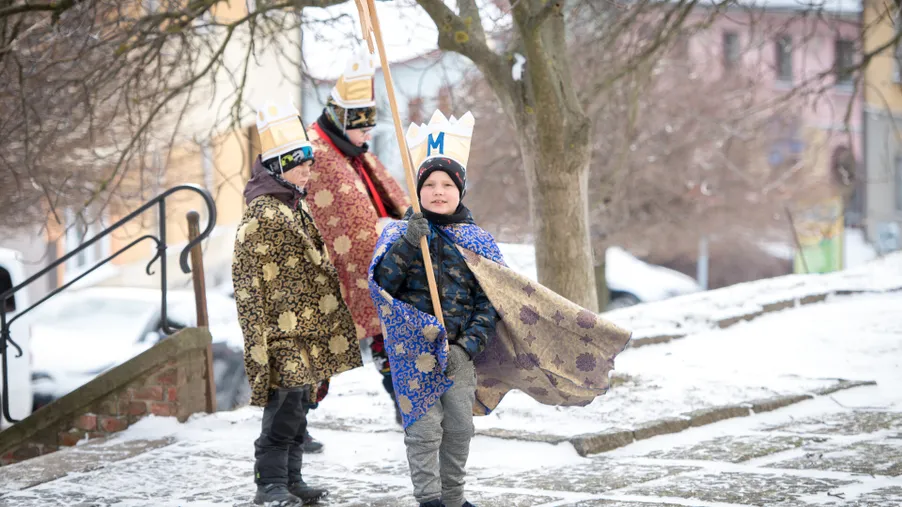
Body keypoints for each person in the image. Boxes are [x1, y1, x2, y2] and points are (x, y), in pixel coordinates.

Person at [369, 111, 633, 507]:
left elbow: (492, 302)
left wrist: (467, 347)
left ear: (460, 190)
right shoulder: (398, 235)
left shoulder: (477, 241)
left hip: (459, 354)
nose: (438, 191)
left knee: (458, 429)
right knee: (424, 430)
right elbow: (383, 286)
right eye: (429, 185)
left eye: (446, 184)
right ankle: (430, 499)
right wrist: (409, 242)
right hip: (414, 353)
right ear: (418, 189)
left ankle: (453, 497)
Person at [233, 98, 363, 505]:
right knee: (283, 405)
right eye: (300, 162)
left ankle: (291, 479)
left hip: (307, 327)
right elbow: (248, 285)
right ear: (279, 166)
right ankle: (268, 483)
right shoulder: (262, 214)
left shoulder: (294, 204)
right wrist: (261, 339)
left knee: (299, 406)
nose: (309, 168)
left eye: (309, 160)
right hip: (281, 331)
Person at [304, 47, 410, 431]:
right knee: (312, 359)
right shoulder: (317, 154)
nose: (367, 136)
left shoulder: (351, 150)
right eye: (363, 127)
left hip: (375, 264)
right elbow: (333, 217)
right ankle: (292, 435)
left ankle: (406, 406)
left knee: (388, 340)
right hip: (330, 273)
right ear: (341, 120)